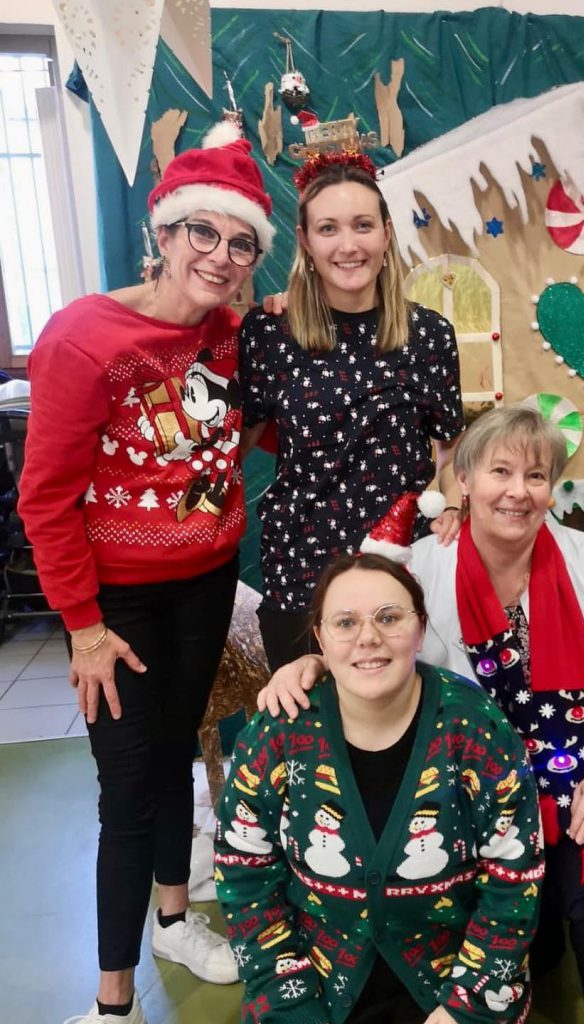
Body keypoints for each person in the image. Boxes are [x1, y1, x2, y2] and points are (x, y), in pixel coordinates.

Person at [258, 405, 584, 1024]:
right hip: (463, 793)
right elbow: (370, 642)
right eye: (500, 471)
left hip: (583, 779)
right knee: (519, 943)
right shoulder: (419, 568)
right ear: (463, 479)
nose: (518, 491)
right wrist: (310, 667)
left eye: (536, 476)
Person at [18, 124, 276, 1024]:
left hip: (206, 581)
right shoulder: (84, 337)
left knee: (178, 749)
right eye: (202, 232)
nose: (219, 255)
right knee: (126, 789)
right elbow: (45, 498)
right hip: (115, 602)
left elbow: (282, 427)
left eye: (240, 242)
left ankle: (176, 914)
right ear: (162, 233)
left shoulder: (240, 339)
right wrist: (84, 626)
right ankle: (112, 1001)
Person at [215, 553, 541, 1024]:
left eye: (389, 618)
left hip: (455, 987)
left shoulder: (475, 726)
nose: (368, 637)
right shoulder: (278, 733)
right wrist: (290, 1002)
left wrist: (465, 1006)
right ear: (320, 638)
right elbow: (244, 875)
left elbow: (515, 882)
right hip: (315, 987)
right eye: (345, 622)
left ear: (421, 629)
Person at [239, 152, 464, 671]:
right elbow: (236, 444)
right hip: (301, 570)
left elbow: (451, 450)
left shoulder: (428, 335)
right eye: (328, 228)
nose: (347, 245)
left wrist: (453, 504)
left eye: (363, 225)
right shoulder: (270, 333)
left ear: (386, 234)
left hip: (400, 567)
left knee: (404, 728)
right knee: (311, 733)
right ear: (305, 241)